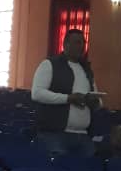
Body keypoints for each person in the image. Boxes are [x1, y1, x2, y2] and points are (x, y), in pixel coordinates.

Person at [31, 28, 102, 156]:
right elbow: (37, 93)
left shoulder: (86, 69)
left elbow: (95, 95)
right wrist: (68, 98)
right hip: (54, 134)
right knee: (59, 167)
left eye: (83, 43)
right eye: (77, 42)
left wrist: (96, 102)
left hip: (83, 135)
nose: (81, 46)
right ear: (65, 44)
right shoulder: (50, 64)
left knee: (91, 165)